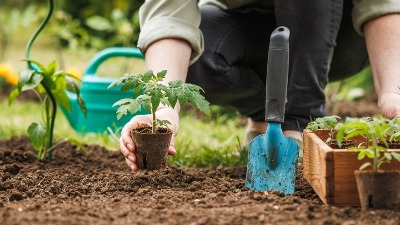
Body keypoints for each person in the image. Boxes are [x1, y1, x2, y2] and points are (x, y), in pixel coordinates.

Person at [120, 0, 400, 172]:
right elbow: (169, 15)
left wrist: (392, 92)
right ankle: (268, 118)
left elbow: (382, 3)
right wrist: (167, 111)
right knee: (199, 58)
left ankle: (300, 121)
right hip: (249, 28)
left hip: (340, 35)